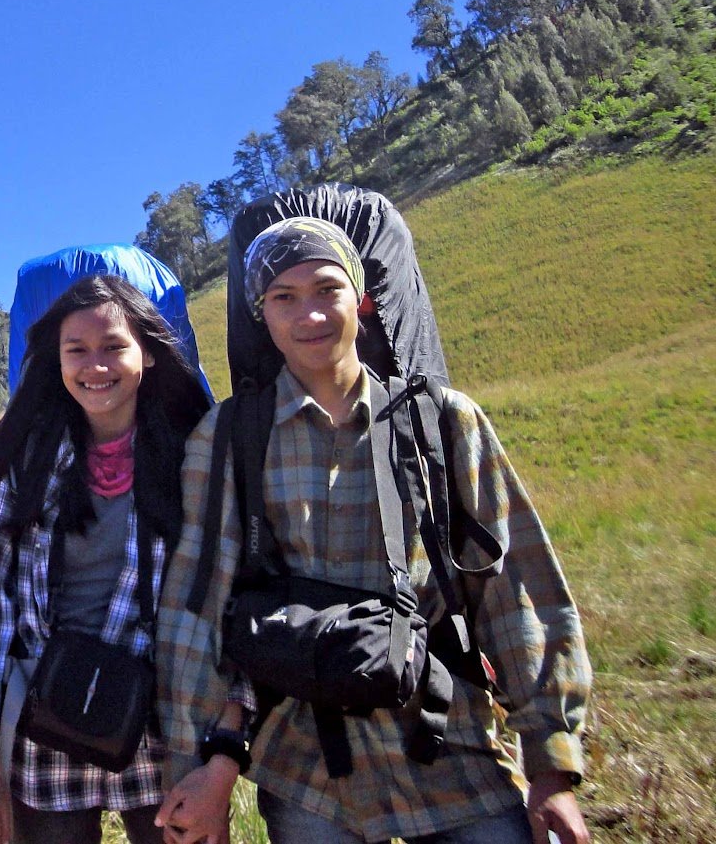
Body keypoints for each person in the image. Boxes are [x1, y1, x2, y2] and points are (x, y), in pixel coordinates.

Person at [155, 217, 592, 844]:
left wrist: (550, 767)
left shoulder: (445, 424)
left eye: (327, 289)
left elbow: (519, 592)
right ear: (262, 316)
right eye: (284, 297)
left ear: (359, 300)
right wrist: (195, 770)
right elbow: (196, 612)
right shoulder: (226, 440)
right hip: (308, 769)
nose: (309, 315)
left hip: (452, 753)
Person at [0, 274, 242, 844]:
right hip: (41, 730)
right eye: (76, 350)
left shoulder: (196, 460)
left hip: (165, 733)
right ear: (55, 361)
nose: (95, 366)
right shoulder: (25, 464)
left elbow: (232, 598)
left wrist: (223, 755)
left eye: (113, 347)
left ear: (148, 354)